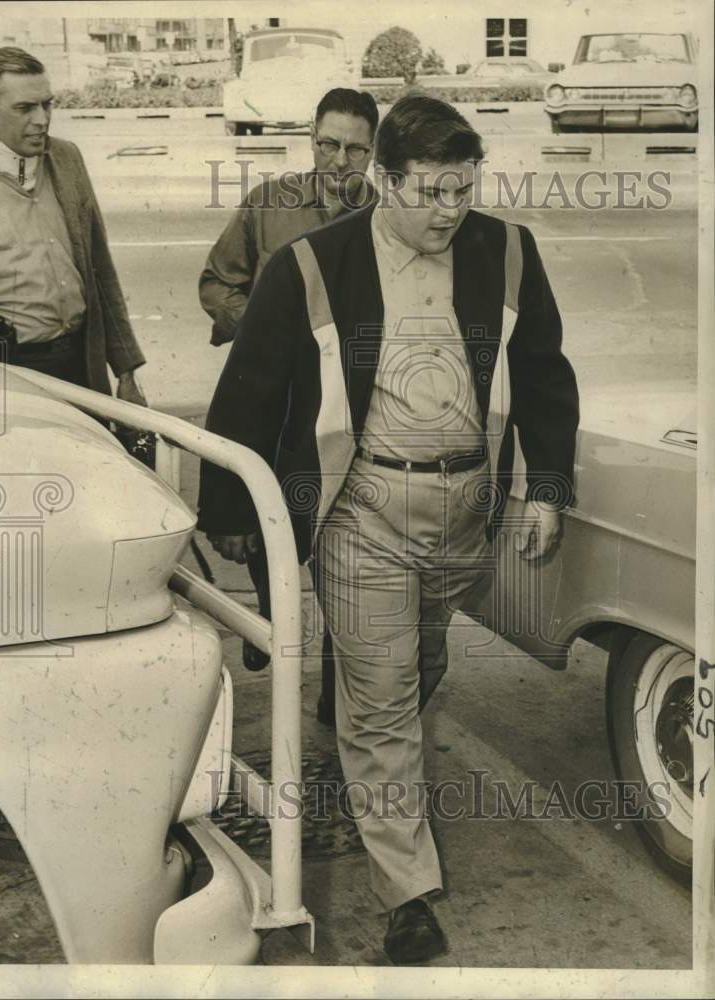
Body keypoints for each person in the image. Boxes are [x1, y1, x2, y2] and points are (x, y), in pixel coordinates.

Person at [197, 95, 579, 964]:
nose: (450, 210)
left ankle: (367, 743)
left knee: (417, 669)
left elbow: (546, 375)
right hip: (363, 510)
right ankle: (406, 893)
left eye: (462, 189)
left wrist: (546, 489)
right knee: (381, 705)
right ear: (382, 180)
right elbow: (250, 391)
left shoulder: (507, 251)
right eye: (432, 192)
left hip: (465, 513)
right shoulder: (311, 265)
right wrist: (229, 513)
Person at [199, 88, 378, 694]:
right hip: (276, 405)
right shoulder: (268, 204)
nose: (338, 161)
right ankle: (270, 616)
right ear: (311, 138)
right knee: (270, 519)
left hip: (346, 410)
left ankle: (338, 682)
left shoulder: (386, 218)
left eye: (355, 150)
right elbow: (218, 282)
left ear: (373, 154)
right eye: (328, 145)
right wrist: (265, 333)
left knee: (344, 547)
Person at [0, 47, 147, 406]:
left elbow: (99, 268)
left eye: (47, 105)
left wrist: (126, 371)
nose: (42, 119)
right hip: (6, 370)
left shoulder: (67, 158)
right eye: (25, 108)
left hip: (78, 362)